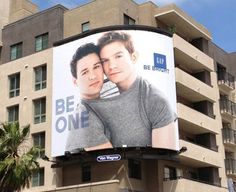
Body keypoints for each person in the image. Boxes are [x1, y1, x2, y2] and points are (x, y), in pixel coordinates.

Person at [83, 31, 178, 150]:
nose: (112, 66)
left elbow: (163, 157)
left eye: (118, 56)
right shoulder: (96, 94)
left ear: (133, 57)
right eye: (105, 61)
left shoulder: (155, 100)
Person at [65, 43, 112, 153]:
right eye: (85, 72)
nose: (93, 76)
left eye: (96, 67)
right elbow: (111, 159)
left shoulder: (99, 104)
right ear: (75, 81)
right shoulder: (83, 117)